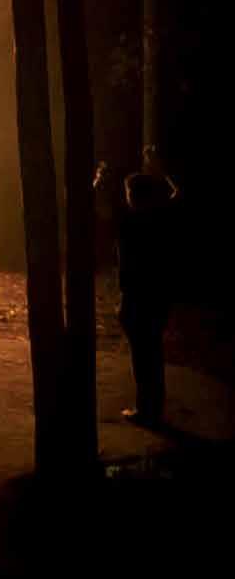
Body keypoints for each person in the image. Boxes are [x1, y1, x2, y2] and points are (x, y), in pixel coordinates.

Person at [94, 145, 180, 428]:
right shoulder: (161, 219)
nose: (126, 196)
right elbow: (180, 194)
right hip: (158, 296)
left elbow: (99, 205)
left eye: (128, 192)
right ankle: (152, 407)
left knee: (143, 357)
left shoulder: (129, 223)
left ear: (133, 195)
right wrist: (162, 170)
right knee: (152, 353)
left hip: (135, 297)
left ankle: (147, 410)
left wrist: (100, 178)